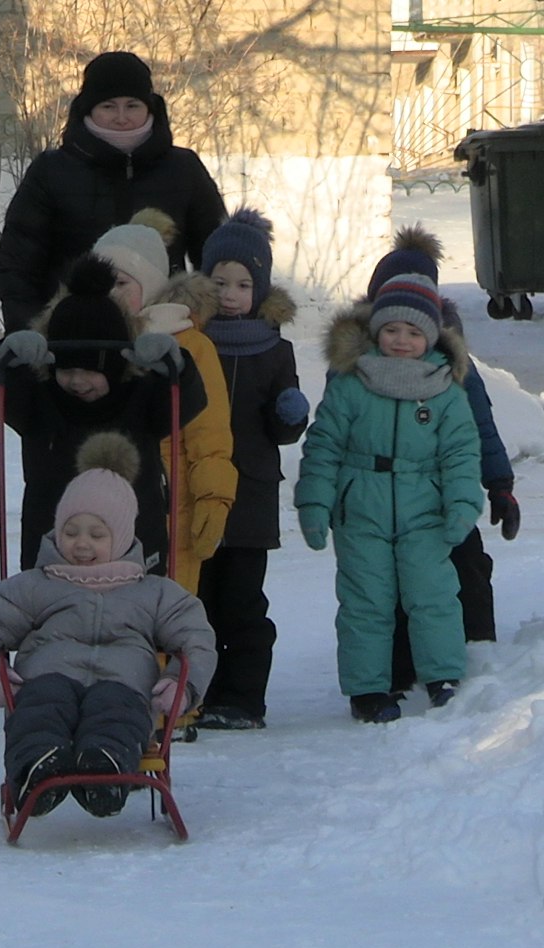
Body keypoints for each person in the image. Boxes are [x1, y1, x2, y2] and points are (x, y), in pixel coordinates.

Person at [0, 432, 217, 817]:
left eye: (97, 535)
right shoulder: (37, 584)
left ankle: (107, 766)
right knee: (40, 708)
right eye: (71, 532)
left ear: (122, 537)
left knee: (116, 711)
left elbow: (196, 637)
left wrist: (184, 685)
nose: (82, 544)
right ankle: (37, 766)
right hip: (47, 677)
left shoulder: (153, 592)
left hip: (124, 684)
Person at [295, 274, 482, 723]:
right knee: (366, 600)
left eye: (414, 332)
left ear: (432, 337)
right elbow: (324, 446)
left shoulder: (445, 390)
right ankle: (368, 689)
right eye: (392, 330)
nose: (402, 341)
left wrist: (462, 504)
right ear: (376, 331)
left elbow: (461, 453)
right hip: (361, 507)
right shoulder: (352, 383)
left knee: (432, 594)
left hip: (425, 508)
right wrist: (315, 503)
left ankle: (442, 677)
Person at [364, 227, 520, 698]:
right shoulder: (360, 357)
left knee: (465, 564)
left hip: (444, 492)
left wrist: (499, 484)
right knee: (386, 582)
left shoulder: (451, 357)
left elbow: (480, 422)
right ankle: (398, 667)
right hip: (383, 497)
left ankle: (475, 647)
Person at [0, 254, 208, 573]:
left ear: (116, 366)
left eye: (90, 371)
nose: (76, 381)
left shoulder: (142, 398)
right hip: (52, 555)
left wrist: (177, 367)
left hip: (135, 556)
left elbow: (188, 402)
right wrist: (3, 359)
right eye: (66, 369)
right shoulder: (38, 403)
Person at [0, 50, 228, 334]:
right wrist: (31, 332)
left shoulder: (183, 168)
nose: (121, 117)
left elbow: (216, 254)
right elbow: (19, 264)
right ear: (88, 109)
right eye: (108, 106)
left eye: (132, 105)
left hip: (166, 329)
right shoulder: (51, 171)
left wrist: (212, 324)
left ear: (150, 107)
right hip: (72, 334)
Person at [191, 208, 307, 731]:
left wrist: (290, 414)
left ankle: (242, 699)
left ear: (259, 287)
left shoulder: (274, 349)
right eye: (220, 282)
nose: (232, 293)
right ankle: (195, 695)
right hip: (195, 489)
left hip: (252, 494)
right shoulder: (191, 342)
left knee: (242, 602)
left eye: (243, 283)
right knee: (195, 600)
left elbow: (283, 431)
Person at [90, 210, 235, 595]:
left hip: (173, 505)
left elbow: (210, 434)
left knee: (162, 617)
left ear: (150, 284)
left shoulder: (189, 345)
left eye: (121, 282)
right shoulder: (89, 344)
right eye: (102, 284)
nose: (111, 294)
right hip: (99, 506)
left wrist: (213, 497)